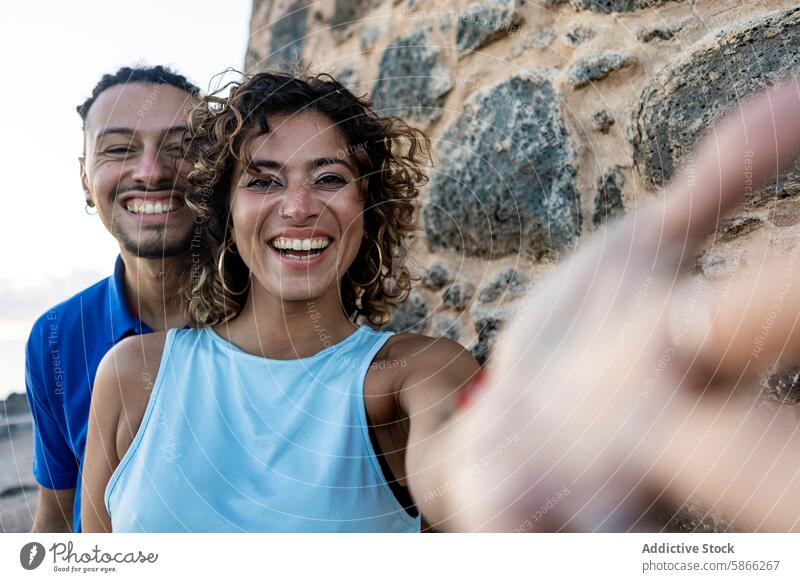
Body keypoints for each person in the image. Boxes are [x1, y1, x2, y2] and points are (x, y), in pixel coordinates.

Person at [82, 71, 800, 532]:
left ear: (367, 210)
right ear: (224, 211)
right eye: (263, 180)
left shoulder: (414, 375)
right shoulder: (131, 375)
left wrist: (521, 454)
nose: (298, 207)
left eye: (329, 178)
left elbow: (459, 470)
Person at [25, 65, 199, 532]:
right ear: (86, 179)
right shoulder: (55, 337)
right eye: (119, 149)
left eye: (181, 148)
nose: (151, 172)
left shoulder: (274, 320)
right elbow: (57, 517)